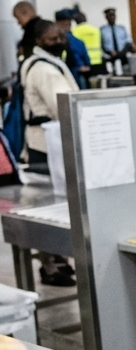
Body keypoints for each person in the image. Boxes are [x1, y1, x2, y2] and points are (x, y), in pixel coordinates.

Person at [19, 21, 80, 286]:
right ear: (39, 41)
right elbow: (63, 106)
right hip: (48, 146)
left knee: (49, 204)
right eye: (53, 38)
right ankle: (51, 265)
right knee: (53, 206)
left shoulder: (34, 63)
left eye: (61, 36)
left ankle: (57, 260)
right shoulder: (45, 69)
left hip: (41, 143)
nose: (60, 41)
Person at [54, 9, 91, 88]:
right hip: (73, 76)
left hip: (69, 76)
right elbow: (87, 62)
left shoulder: (54, 42)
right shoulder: (78, 42)